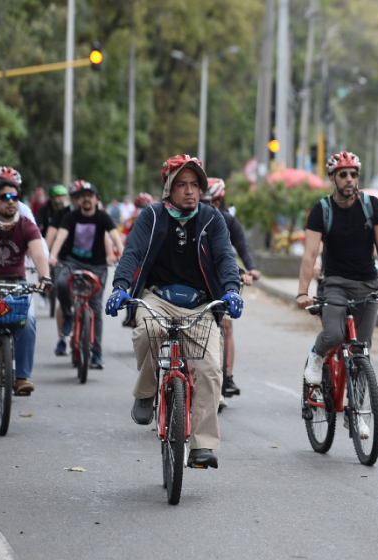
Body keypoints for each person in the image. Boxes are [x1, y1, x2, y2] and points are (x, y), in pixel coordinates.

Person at [105, 154, 243, 469]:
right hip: (158, 299)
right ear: (168, 187)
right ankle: (146, 391)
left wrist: (232, 290)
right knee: (148, 331)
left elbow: (225, 257)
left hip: (200, 303)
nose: (190, 191)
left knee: (209, 370)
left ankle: (203, 446)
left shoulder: (212, 219)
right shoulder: (151, 217)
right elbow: (132, 253)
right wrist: (120, 287)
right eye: (181, 184)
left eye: (195, 184)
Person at [297, 151, 378, 412]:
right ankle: (316, 357)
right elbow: (309, 254)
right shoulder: (322, 210)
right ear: (332, 178)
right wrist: (302, 292)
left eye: (353, 174)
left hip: (367, 284)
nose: (349, 179)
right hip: (335, 284)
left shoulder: (373, 207)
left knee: (362, 349)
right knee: (334, 334)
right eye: (343, 175)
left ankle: (357, 407)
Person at [48, 180, 123, 368]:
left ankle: (96, 353)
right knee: (61, 284)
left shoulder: (103, 217)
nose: (87, 199)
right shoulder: (71, 217)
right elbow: (61, 236)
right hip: (72, 263)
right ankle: (68, 316)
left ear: (97, 199)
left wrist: (122, 255)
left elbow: (115, 237)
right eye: (83, 197)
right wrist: (53, 255)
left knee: (96, 308)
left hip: (97, 266)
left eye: (91, 196)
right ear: (79, 200)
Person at [0, 168, 53, 395]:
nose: (10, 202)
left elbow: (38, 254)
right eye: (5, 198)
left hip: (16, 282)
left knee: (27, 320)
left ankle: (21, 377)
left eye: (14, 198)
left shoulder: (26, 224)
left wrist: (44, 277)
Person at [202, 178, 260, 401]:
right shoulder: (191, 220)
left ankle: (227, 376)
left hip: (223, 279)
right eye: (205, 202)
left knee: (226, 324)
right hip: (200, 279)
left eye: (213, 203)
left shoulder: (228, 221)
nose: (210, 208)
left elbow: (240, 249)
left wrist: (250, 270)